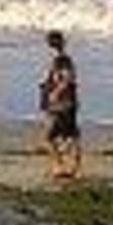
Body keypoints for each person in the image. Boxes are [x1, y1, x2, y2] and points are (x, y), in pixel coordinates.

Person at [38, 29, 81, 179]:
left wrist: (55, 93)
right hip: (66, 102)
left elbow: (68, 78)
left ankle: (61, 166)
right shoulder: (62, 59)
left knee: (53, 136)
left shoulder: (61, 59)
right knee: (70, 135)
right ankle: (69, 166)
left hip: (63, 103)